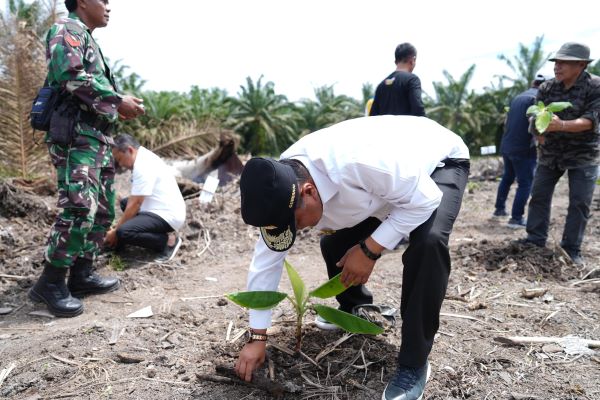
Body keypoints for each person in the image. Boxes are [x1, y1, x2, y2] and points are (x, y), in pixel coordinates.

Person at [235, 115, 470, 400]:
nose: (295, 231)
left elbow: (425, 199)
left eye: (295, 223)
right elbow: (266, 263)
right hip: (382, 189)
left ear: (308, 192)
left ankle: (414, 364)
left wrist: (370, 249)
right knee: (335, 245)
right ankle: (355, 307)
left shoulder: (360, 163)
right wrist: (257, 337)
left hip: (437, 165)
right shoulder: (277, 186)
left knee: (429, 245)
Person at [28, 0, 146, 317]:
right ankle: (50, 282)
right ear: (81, 2)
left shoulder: (87, 37)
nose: (109, 6)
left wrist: (118, 105)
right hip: (75, 135)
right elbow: (70, 75)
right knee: (79, 205)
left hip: (96, 137)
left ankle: (81, 274)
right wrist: (118, 100)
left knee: (104, 207)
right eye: (103, 0)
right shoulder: (67, 29)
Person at [521, 42, 600, 266]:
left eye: (565, 62)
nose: (558, 66)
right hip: (551, 154)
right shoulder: (546, 88)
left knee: (579, 202)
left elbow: (592, 120)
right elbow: (535, 116)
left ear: (581, 65)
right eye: (556, 62)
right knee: (539, 196)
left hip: (583, 155)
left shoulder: (595, 86)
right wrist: (539, 131)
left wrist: (562, 126)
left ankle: (571, 249)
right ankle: (535, 240)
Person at [105, 134, 186, 262]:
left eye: (119, 159)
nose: (120, 164)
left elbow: (136, 204)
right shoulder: (143, 157)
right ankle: (121, 242)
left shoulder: (143, 166)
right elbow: (133, 201)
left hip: (168, 215)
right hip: (160, 207)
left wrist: (115, 231)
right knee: (125, 204)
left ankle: (168, 242)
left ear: (130, 150)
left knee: (123, 231)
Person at [493, 74, 547, 227]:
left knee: (507, 177)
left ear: (533, 82)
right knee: (525, 183)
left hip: (507, 145)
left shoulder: (518, 97)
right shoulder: (537, 99)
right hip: (523, 147)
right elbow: (535, 124)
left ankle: (499, 209)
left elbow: (507, 122)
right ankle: (516, 218)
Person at [369, 43, 426, 117]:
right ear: (412, 60)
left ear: (396, 61)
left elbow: (373, 116)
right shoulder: (412, 80)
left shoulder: (381, 85)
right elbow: (418, 110)